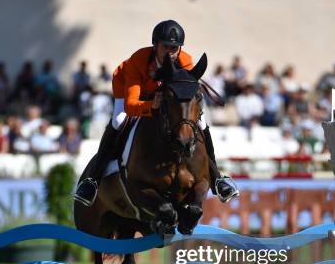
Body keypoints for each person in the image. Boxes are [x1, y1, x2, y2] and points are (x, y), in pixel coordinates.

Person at [74, 19, 239, 207]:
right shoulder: (138, 61)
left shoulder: (185, 61)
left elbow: (185, 93)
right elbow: (131, 105)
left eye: (175, 48)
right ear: (155, 45)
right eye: (166, 46)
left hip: (164, 95)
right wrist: (151, 105)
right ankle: (93, 180)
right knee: (119, 121)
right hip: (130, 89)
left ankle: (217, 178)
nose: (171, 52)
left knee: (201, 123)